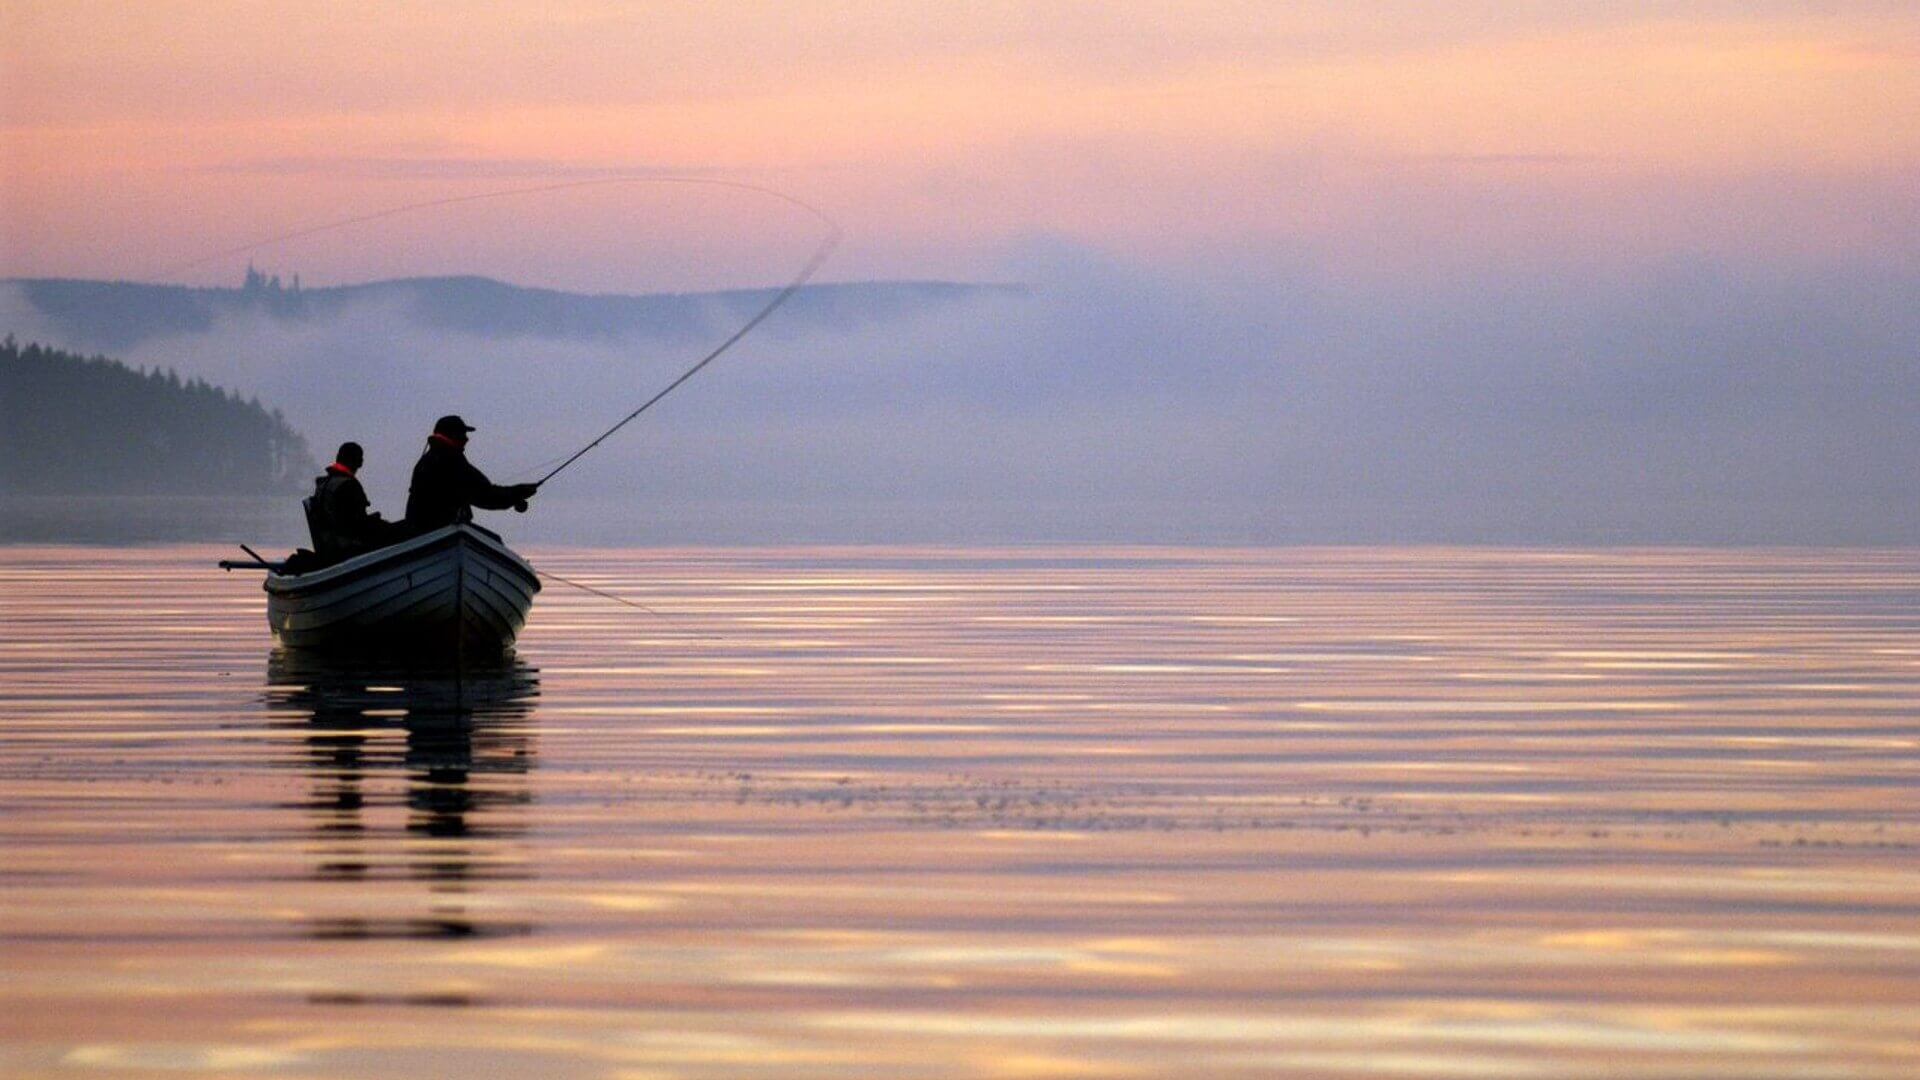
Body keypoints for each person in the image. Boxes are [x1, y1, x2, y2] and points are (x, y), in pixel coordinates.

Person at [404, 414, 538, 531]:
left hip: (422, 530)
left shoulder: (431, 459)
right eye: (462, 434)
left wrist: (515, 495)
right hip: (440, 528)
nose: (466, 439)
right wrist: (519, 492)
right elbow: (484, 495)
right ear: (452, 434)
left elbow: (481, 492)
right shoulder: (450, 461)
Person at [308, 442, 400, 560]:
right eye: (360, 459)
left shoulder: (324, 484)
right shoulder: (348, 485)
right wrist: (377, 522)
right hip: (346, 547)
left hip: (331, 545)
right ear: (356, 461)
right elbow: (357, 526)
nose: (361, 463)